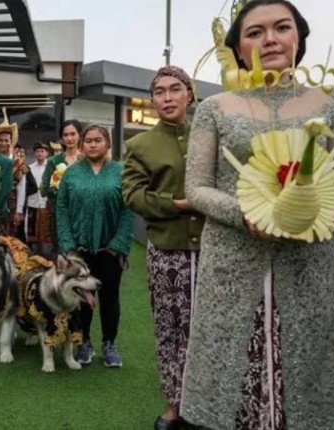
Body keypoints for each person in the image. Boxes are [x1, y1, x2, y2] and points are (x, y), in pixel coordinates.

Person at [180, 1, 334, 429]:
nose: (270, 39)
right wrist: (246, 214)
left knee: (311, 381)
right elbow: (196, 187)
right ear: (238, 48)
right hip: (231, 263)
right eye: (255, 32)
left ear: (299, 37)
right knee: (230, 379)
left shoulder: (331, 103)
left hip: (308, 259)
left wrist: (307, 213)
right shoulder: (215, 107)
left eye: (282, 28)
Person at [122, 66, 203, 430]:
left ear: (190, 93)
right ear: (152, 100)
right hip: (168, 253)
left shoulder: (209, 134)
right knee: (171, 331)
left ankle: (209, 406)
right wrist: (177, 203)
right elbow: (133, 195)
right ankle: (175, 407)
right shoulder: (140, 145)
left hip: (214, 252)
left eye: (175, 89)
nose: (167, 97)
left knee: (210, 329)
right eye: (159, 92)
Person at [56, 124, 134, 368]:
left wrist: (119, 244)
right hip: (80, 251)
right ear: (81, 145)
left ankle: (109, 344)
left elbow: (128, 209)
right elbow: (62, 209)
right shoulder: (71, 173)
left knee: (110, 299)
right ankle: (84, 342)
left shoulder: (121, 171)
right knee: (82, 299)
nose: (92, 144)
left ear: (108, 143)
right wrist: (68, 245)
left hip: (109, 251)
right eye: (88, 140)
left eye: (98, 140)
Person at [41, 119, 83, 248]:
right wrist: (56, 187)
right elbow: (44, 190)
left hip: (83, 214)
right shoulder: (54, 161)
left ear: (79, 135)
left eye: (73, 134)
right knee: (62, 253)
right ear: (61, 138)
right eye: (66, 135)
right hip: (59, 215)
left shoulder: (87, 159)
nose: (69, 138)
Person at [15, 141, 53, 258]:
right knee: (31, 235)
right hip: (32, 205)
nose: (39, 154)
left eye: (42, 151)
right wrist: (19, 210)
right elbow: (22, 189)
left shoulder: (51, 167)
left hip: (46, 206)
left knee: (47, 236)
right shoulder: (28, 168)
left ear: (47, 153)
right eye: (37, 151)